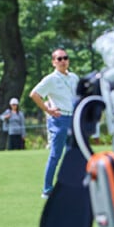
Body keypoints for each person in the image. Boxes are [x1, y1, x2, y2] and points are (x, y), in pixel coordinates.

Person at [30, 48, 80, 197]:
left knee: (75, 154)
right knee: (56, 155)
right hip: (60, 119)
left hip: (74, 118)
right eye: (59, 59)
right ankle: (47, 189)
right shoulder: (50, 79)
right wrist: (48, 110)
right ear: (54, 62)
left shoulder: (74, 77)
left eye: (65, 58)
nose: (63, 61)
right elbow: (34, 94)